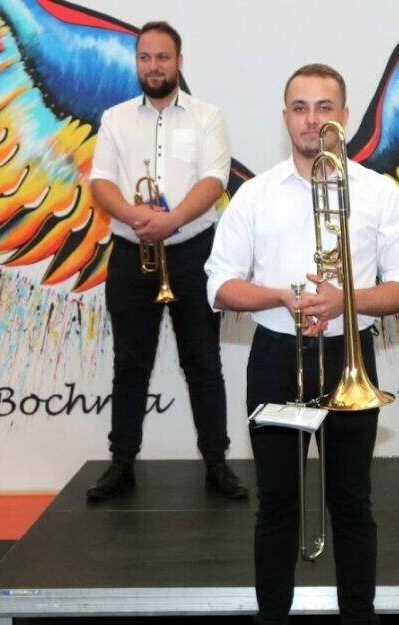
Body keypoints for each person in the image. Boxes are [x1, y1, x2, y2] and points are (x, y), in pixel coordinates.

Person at [205, 64, 399, 625]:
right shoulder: (256, 194)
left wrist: (343, 300)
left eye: (324, 107)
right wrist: (283, 295)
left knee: (351, 503)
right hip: (277, 357)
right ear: (285, 118)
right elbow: (219, 285)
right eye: (299, 108)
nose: (311, 119)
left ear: (344, 117)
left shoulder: (378, 192)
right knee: (276, 505)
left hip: (350, 356)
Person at [87, 21, 246, 500]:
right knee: (129, 365)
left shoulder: (207, 116)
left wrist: (171, 220)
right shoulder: (115, 118)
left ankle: (216, 462)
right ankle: (121, 463)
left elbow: (215, 179)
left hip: (193, 253)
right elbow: (100, 181)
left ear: (179, 62)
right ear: (136, 63)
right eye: (145, 57)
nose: (153, 66)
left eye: (162, 57)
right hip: (130, 253)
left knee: (203, 362)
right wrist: (135, 215)